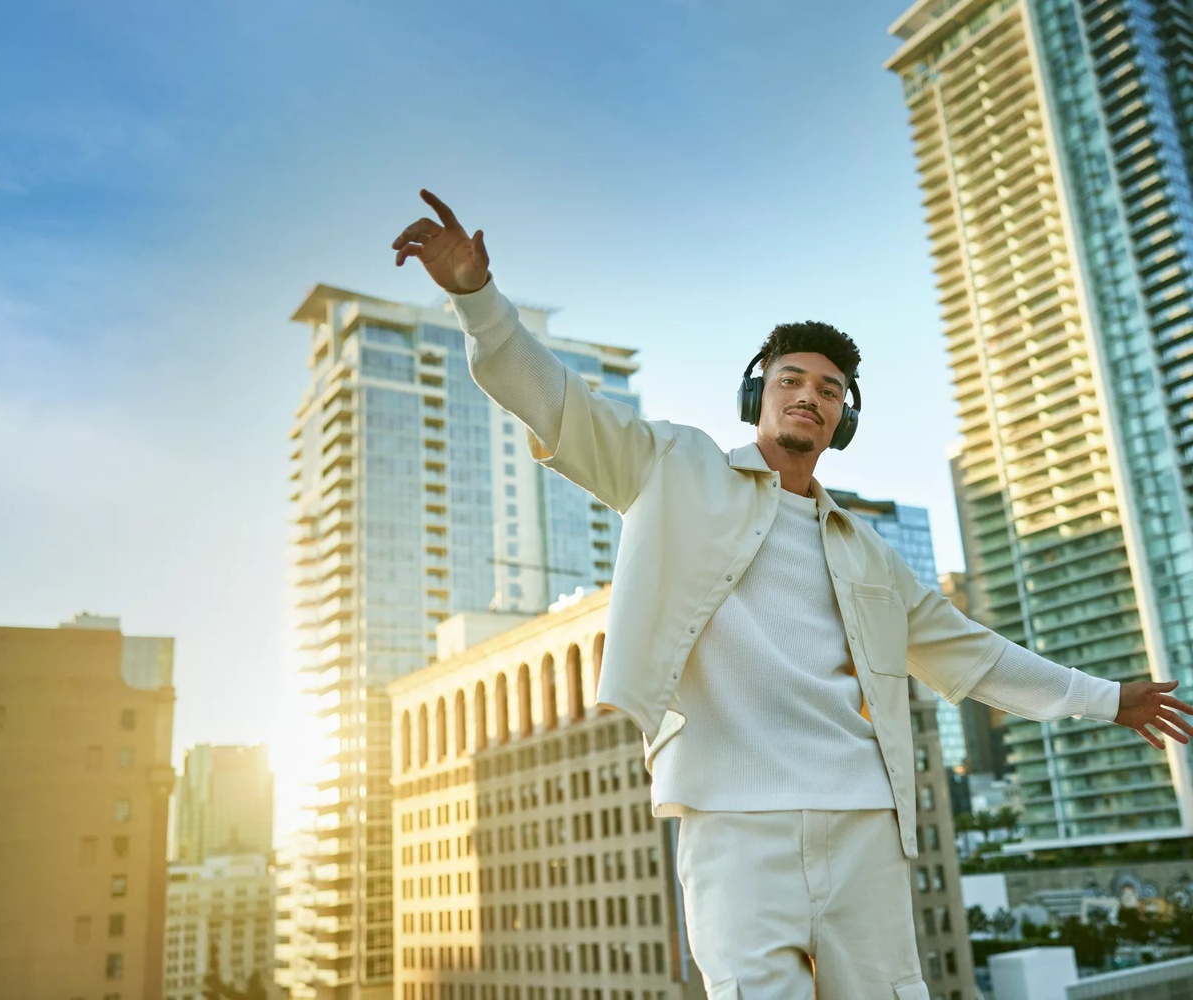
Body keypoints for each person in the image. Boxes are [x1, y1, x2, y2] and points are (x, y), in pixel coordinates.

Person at [392, 190, 1193, 999]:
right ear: (760, 395)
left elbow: (971, 653)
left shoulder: (870, 553)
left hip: (864, 821)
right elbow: (556, 402)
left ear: (842, 419)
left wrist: (1104, 698)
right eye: (792, 379)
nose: (810, 394)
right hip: (729, 815)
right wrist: (477, 302)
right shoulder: (673, 468)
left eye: (830, 389)